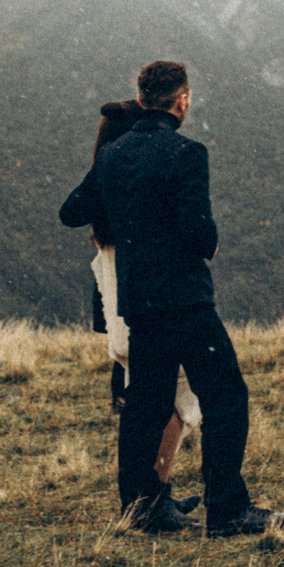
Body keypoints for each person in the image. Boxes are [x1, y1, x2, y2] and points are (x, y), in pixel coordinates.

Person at [59, 60, 284, 537]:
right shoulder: (187, 153)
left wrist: (125, 210)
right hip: (185, 298)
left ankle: (140, 508)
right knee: (227, 396)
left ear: (141, 98)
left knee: (145, 402)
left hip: (140, 300)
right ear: (182, 100)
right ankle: (227, 510)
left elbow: (71, 211)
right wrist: (209, 242)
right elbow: (198, 231)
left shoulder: (113, 156)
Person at [83, 99, 201, 489]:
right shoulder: (139, 196)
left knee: (148, 405)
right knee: (174, 404)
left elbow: (71, 212)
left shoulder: (105, 190)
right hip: (151, 315)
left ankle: (148, 494)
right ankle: (153, 493)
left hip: (124, 321)